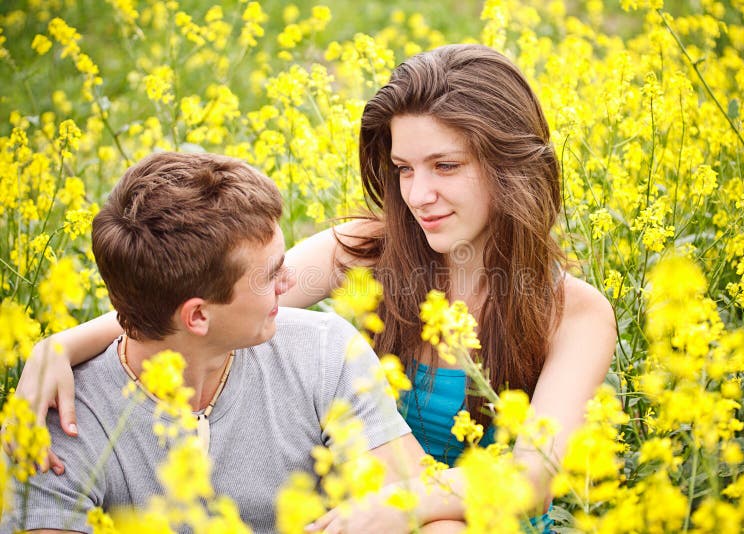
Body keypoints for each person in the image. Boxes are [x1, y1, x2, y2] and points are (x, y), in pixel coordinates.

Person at [16, 45, 616, 531]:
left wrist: (407, 505)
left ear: (510, 163)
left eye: (446, 166)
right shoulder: (367, 249)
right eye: (404, 169)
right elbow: (202, 301)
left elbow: (533, 480)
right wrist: (63, 346)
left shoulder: (575, 313)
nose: (416, 194)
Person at [2, 152, 431, 533]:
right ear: (198, 316)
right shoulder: (60, 416)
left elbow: (420, 508)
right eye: (269, 274)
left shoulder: (324, 351)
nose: (290, 281)